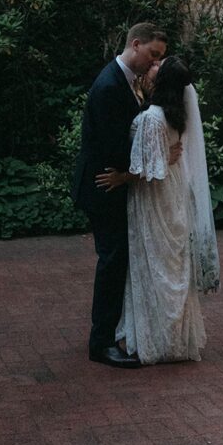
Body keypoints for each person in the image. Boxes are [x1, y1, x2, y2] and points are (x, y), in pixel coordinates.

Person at [96, 56, 219, 365]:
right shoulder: (178, 114)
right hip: (174, 190)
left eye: (157, 65)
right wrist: (165, 154)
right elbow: (165, 155)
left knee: (152, 261)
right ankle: (174, 336)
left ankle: (156, 337)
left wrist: (121, 177)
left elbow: (146, 169)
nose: (152, 64)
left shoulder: (152, 117)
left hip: (153, 194)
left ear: (161, 79)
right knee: (171, 262)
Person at [72, 22, 170, 368]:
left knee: (116, 261)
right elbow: (116, 144)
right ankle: (100, 344)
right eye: (153, 55)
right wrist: (133, 171)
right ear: (136, 44)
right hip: (104, 184)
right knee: (112, 262)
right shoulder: (110, 85)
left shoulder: (125, 81)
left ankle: (111, 332)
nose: (154, 63)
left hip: (111, 181)